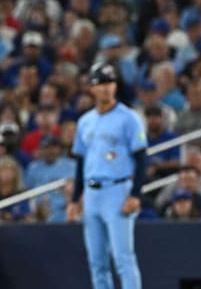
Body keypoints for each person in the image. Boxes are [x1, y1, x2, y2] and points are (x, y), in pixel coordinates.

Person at [66, 63, 147, 289]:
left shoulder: (128, 118)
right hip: (92, 194)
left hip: (117, 189)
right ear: (91, 88)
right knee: (96, 261)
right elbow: (81, 162)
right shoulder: (85, 121)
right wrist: (74, 200)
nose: (106, 88)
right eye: (101, 83)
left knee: (123, 257)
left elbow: (141, 158)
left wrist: (135, 194)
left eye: (110, 83)